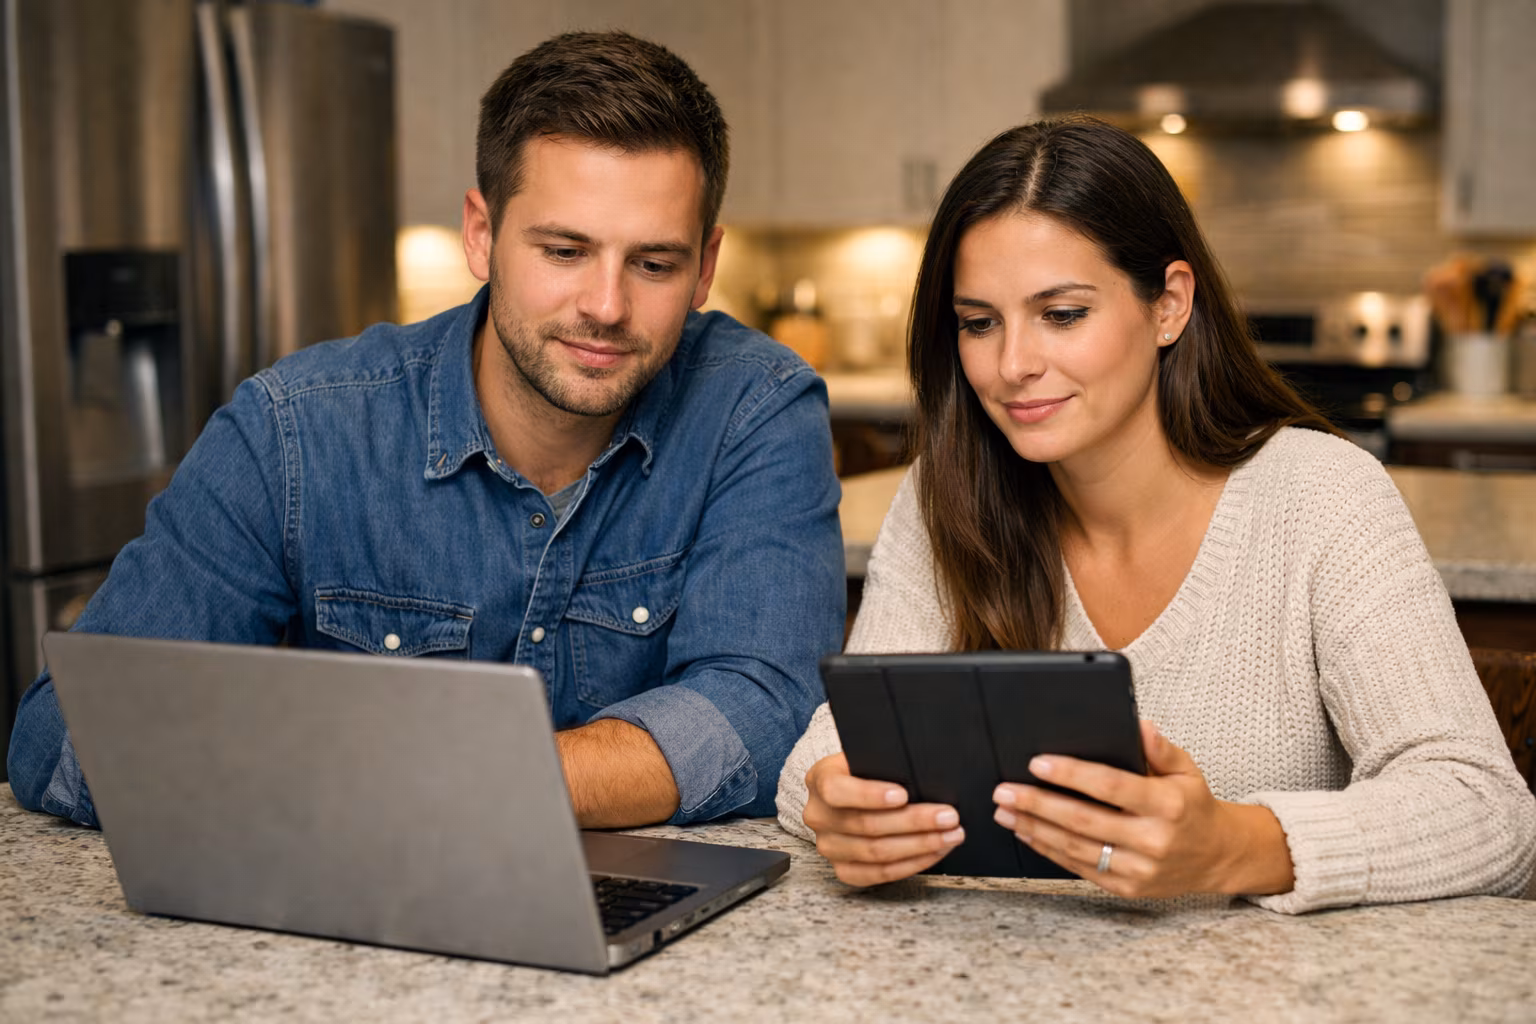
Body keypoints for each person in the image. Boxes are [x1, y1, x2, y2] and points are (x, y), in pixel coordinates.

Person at [9, 31, 845, 830]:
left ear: (706, 267)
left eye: (654, 263)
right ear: (481, 235)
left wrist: (416, 777)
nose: (606, 306)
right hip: (349, 919)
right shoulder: (298, 429)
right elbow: (64, 738)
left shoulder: (756, 408)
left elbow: (764, 705)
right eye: (563, 250)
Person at [776, 116, 1536, 913]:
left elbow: (1488, 811)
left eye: (1062, 314)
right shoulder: (947, 494)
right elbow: (829, 749)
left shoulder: (1322, 498)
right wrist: (836, 803)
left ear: (1169, 305)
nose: (1012, 366)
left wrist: (1237, 846)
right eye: (979, 322)